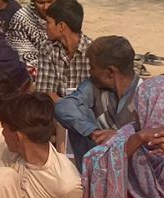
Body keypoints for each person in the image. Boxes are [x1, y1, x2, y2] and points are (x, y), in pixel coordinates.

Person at [54, 33, 140, 166]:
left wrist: (120, 137)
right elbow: (64, 106)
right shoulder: (93, 86)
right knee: (77, 113)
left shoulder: (145, 94)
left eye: (93, 67)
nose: (90, 72)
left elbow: (154, 137)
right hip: (95, 167)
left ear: (110, 72)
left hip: (130, 169)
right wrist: (93, 132)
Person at [34, 0, 91, 100]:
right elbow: (46, 93)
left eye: (48, 22)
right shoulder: (48, 49)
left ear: (61, 26)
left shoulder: (92, 52)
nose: (45, 26)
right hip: (57, 107)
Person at [9, 0, 59, 68]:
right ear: (33, 1)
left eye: (50, 1)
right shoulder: (21, 19)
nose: (46, 7)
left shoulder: (65, 15)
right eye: (41, 3)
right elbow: (22, 54)